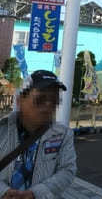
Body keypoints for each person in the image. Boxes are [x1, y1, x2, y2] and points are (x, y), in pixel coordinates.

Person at [0, 70, 76, 198]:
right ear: (20, 101)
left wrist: (35, 193)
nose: (48, 106)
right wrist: (4, 191)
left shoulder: (63, 134)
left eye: (54, 100)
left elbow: (67, 170)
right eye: (40, 99)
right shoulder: (2, 130)